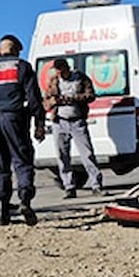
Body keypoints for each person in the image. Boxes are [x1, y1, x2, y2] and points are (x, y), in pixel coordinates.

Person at [0, 34, 46, 225]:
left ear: (0, 50)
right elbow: (33, 98)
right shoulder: (21, 66)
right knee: (22, 161)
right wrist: (40, 122)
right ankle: (24, 200)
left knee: (0, 166)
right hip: (13, 119)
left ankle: (2, 208)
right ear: (16, 50)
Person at [43, 57, 105, 198]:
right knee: (62, 156)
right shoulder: (53, 81)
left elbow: (91, 95)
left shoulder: (80, 78)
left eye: (61, 70)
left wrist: (74, 98)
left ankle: (96, 184)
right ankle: (69, 187)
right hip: (60, 121)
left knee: (87, 154)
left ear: (67, 68)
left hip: (77, 121)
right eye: (57, 70)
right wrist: (53, 101)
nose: (59, 73)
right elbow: (45, 102)